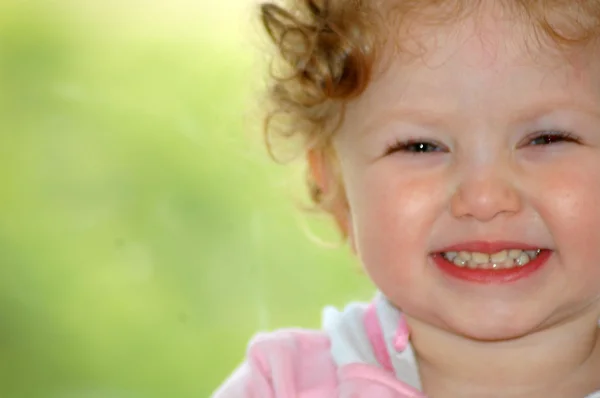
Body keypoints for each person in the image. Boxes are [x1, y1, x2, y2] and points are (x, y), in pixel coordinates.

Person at [212, 0, 600, 396]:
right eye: (419, 147)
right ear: (337, 189)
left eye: (548, 139)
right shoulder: (279, 387)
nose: (485, 198)